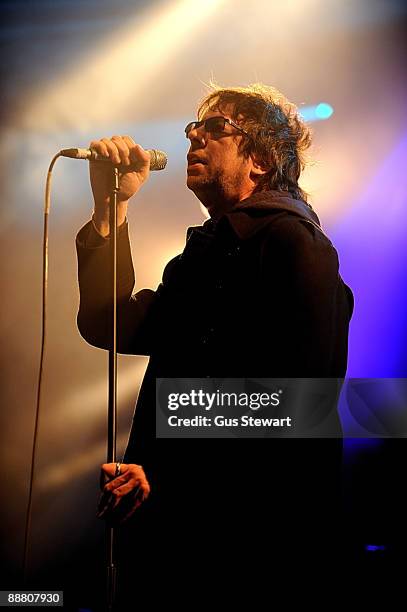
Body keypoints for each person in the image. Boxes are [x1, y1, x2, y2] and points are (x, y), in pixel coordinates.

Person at [76, 84, 354, 599]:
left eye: (216, 128)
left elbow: (302, 407)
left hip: (251, 550)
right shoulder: (206, 254)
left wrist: (163, 469)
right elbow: (109, 322)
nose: (194, 138)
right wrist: (109, 208)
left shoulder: (296, 244)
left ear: (264, 160)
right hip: (181, 537)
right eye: (192, 129)